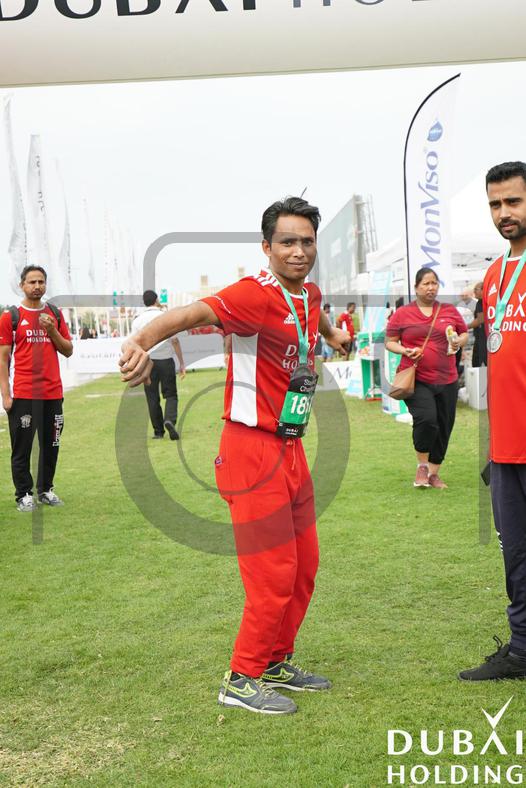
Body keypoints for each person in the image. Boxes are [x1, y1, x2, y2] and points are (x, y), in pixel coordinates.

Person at [120, 197, 349, 715]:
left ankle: (274, 660)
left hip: (291, 446)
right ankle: (241, 678)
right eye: (287, 242)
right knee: (273, 572)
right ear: (266, 247)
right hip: (251, 450)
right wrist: (140, 342)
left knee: (304, 566)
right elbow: (189, 314)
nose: (298, 251)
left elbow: (313, 316)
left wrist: (333, 334)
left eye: (307, 241)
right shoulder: (251, 294)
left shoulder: (308, 293)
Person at [459, 162, 526, 681]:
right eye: (495, 204)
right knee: (517, 557)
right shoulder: (495, 274)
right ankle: (522, 650)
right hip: (505, 446)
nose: (504, 213)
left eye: (514, 202)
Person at [385, 267, 468, 489]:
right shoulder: (403, 313)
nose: (431, 288)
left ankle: (433, 474)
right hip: (417, 378)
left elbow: (463, 332)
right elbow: (389, 341)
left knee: (444, 426)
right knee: (427, 419)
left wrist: (459, 341)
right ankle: (422, 466)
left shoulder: (449, 310)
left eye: (434, 283)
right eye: (426, 284)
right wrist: (405, 350)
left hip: (448, 379)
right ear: (416, 287)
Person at [0, 265, 73, 512]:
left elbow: (68, 350)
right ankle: (23, 494)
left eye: (41, 281)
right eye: (32, 282)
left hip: (53, 393)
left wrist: (51, 330)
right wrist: (6, 395)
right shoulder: (11, 316)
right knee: (22, 448)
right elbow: (3, 359)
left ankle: (45, 490)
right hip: (24, 394)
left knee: (51, 445)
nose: (37, 286)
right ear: (22, 285)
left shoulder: (54, 314)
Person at [131, 290, 186, 440]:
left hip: (147, 361)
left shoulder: (137, 321)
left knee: (152, 397)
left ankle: (158, 432)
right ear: (156, 300)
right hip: (165, 359)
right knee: (171, 395)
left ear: (144, 302)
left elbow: (134, 344)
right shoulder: (164, 316)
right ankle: (170, 420)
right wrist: (181, 362)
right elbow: (175, 340)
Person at [469, 281, 487, 368]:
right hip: (479, 337)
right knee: (476, 362)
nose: (474, 292)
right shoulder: (479, 302)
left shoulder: (483, 302)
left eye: (476, 289)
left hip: (484, 338)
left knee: (481, 363)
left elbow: (480, 320)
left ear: (483, 290)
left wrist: (465, 326)